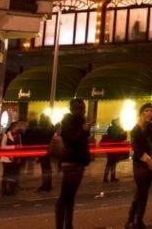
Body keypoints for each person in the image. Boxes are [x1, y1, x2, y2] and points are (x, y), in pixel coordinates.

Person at [56, 98, 91, 229]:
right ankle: (62, 225)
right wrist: (84, 130)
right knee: (65, 198)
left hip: (79, 162)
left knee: (70, 198)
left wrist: (85, 130)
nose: (82, 111)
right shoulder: (68, 121)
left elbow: (82, 141)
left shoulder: (81, 122)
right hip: (71, 162)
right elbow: (71, 140)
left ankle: (69, 224)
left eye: (83, 108)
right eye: (80, 108)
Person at [127, 103, 152, 229]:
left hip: (151, 165)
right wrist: (151, 163)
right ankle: (137, 222)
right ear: (141, 113)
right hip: (140, 166)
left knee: (141, 194)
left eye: (151, 111)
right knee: (142, 194)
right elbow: (138, 150)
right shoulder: (136, 130)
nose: (149, 113)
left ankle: (131, 220)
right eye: (146, 110)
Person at [0, 120, 24, 195]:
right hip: (6, 157)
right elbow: (2, 146)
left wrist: (19, 151)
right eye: (18, 126)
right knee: (6, 174)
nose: (19, 127)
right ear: (14, 127)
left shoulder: (19, 135)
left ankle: (11, 189)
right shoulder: (6, 134)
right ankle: (4, 190)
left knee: (13, 174)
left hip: (15, 157)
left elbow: (20, 145)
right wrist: (14, 146)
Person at [101, 118, 126, 183]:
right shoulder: (117, 128)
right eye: (118, 121)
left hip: (110, 147)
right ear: (115, 122)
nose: (119, 122)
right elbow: (120, 137)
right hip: (114, 147)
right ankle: (110, 177)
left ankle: (107, 177)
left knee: (110, 162)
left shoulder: (110, 128)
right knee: (111, 163)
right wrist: (123, 132)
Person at [35, 114, 55, 192]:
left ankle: (45, 185)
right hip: (49, 149)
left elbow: (38, 140)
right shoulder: (51, 128)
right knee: (48, 168)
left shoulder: (40, 128)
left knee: (44, 168)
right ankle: (48, 185)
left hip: (42, 150)